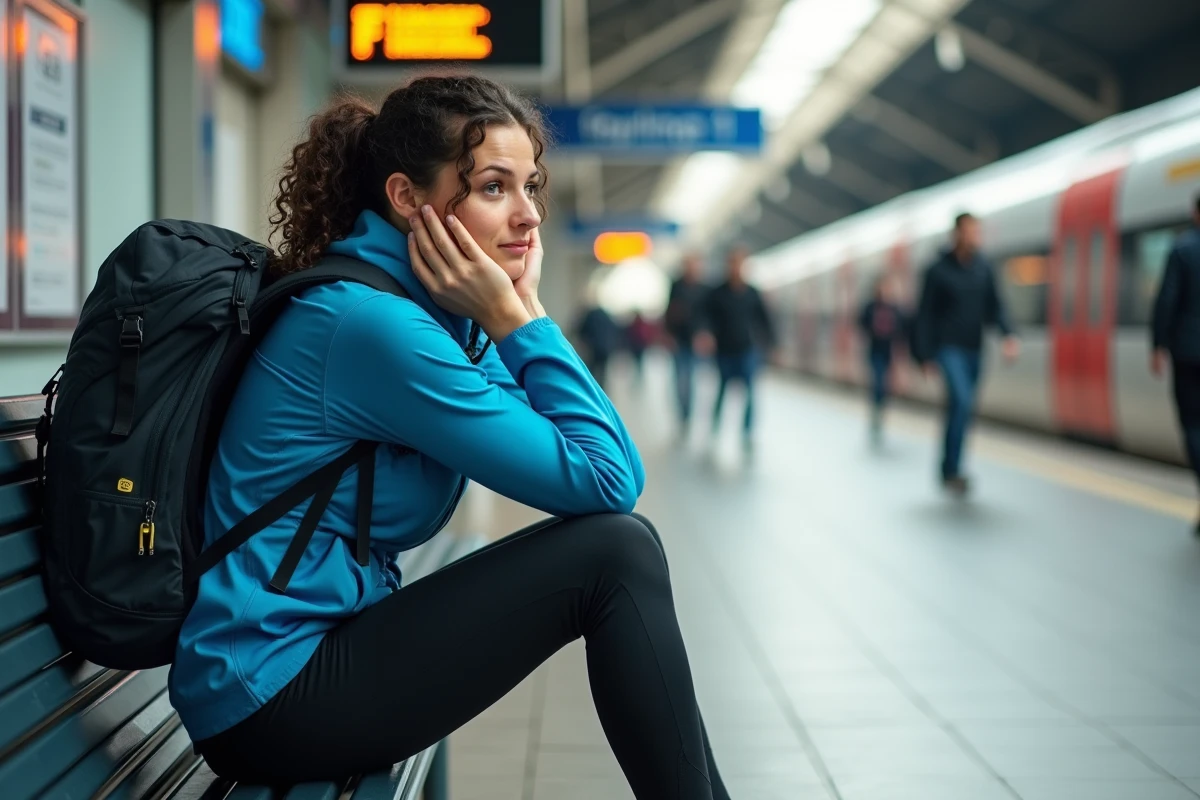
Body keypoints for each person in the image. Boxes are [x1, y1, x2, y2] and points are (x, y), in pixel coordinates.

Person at [170, 76, 731, 800]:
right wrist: (519, 318)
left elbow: (593, 459)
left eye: (531, 185)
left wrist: (508, 309)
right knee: (617, 552)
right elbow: (606, 476)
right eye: (494, 187)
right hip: (267, 689)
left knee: (627, 545)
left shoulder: (430, 315)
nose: (528, 215)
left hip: (311, 649)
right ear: (407, 199)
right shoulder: (374, 326)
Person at [911, 213, 1019, 495]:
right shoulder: (937, 270)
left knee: (963, 408)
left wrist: (1008, 335)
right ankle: (952, 469)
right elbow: (924, 315)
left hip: (974, 349)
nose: (976, 236)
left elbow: (996, 306)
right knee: (961, 400)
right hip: (948, 349)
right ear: (957, 234)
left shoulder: (983, 268)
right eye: (971, 231)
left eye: (978, 231)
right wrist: (923, 356)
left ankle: (952, 466)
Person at [1151, 193, 1200, 534]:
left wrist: (1158, 345)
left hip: (1188, 353)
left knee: (1194, 426)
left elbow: (1166, 300)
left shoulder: (1181, 249)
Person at [705, 245, 776, 453]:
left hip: (746, 350)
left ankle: (747, 433)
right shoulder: (717, 293)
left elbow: (764, 319)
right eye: (733, 263)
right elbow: (706, 317)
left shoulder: (752, 293)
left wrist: (771, 342)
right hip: (724, 351)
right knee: (722, 391)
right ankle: (715, 428)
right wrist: (705, 333)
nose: (736, 267)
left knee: (750, 393)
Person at [665, 253, 711, 431]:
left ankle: (688, 414)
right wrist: (669, 334)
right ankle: (683, 414)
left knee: (690, 380)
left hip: (696, 342)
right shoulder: (676, 286)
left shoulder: (704, 289)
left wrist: (705, 334)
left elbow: (708, 315)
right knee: (680, 380)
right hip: (679, 341)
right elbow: (669, 310)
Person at [858, 275, 906, 441]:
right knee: (878, 383)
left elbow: (902, 328)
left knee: (885, 387)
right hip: (875, 352)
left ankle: (880, 410)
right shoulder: (870, 307)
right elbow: (862, 324)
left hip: (889, 353)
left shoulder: (895, 309)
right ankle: (876, 413)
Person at [576, 298, 621, 389]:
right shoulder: (607, 316)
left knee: (592, 369)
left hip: (593, 348)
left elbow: (581, 330)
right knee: (602, 370)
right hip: (605, 347)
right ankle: (601, 388)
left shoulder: (590, 316)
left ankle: (591, 387)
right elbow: (614, 331)